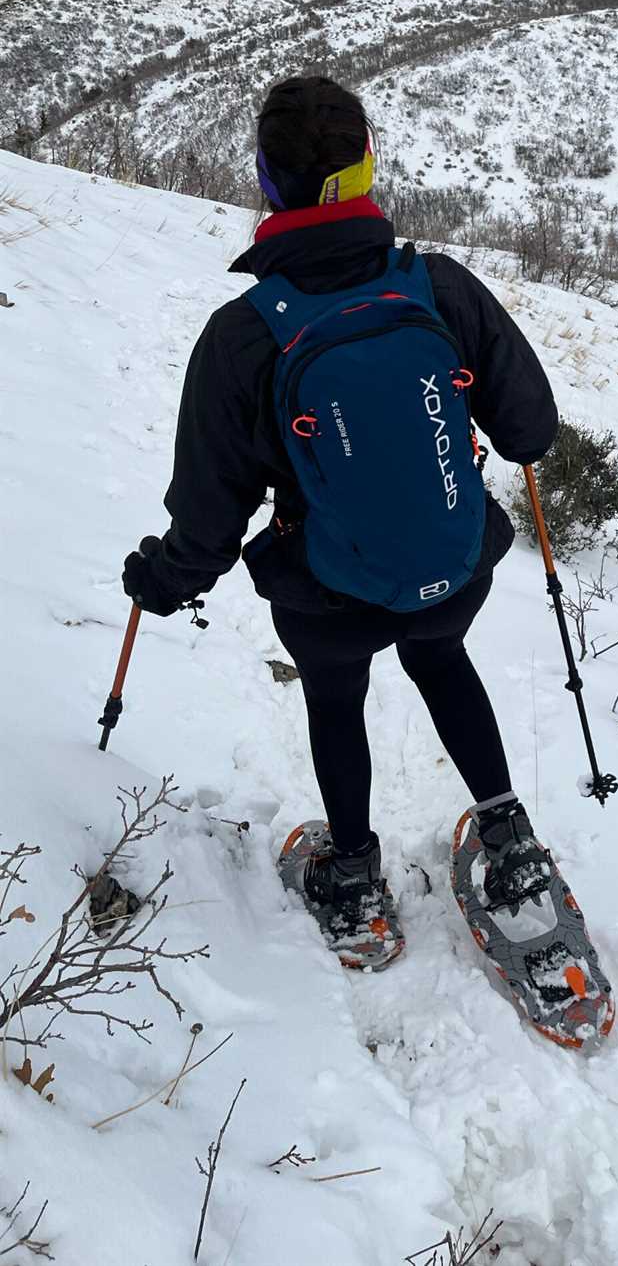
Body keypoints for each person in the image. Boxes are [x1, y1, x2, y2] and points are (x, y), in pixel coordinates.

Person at [122, 75, 560, 966]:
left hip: (326, 589)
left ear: (266, 183)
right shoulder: (439, 287)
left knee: (336, 697)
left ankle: (353, 872)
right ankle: (509, 840)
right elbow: (530, 430)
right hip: (453, 563)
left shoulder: (243, 336)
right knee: (441, 659)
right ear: (367, 171)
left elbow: (206, 521)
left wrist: (159, 580)